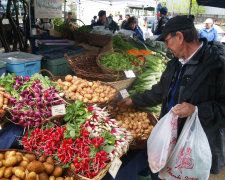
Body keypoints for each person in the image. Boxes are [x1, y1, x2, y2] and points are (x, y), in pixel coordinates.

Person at [118, 15, 225, 178]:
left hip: (191, 148)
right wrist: (134, 99)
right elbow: (160, 91)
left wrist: (196, 110)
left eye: (168, 40)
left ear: (180, 37)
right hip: (168, 139)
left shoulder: (216, 65)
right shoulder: (175, 63)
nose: (167, 47)